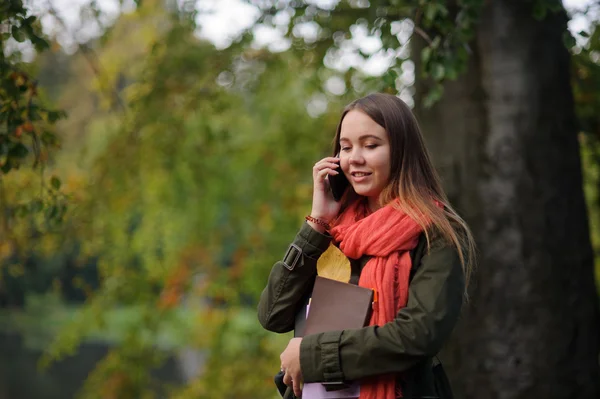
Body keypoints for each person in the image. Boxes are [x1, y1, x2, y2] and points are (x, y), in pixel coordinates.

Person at [257, 93, 476, 399]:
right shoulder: (333, 230)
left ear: (401, 151)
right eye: (346, 147)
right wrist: (316, 224)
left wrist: (311, 356)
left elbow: (418, 335)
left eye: (371, 145)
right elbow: (273, 315)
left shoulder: (435, 232)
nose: (354, 158)